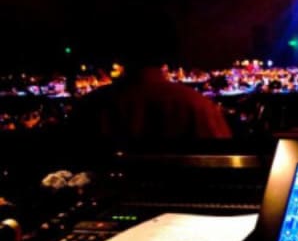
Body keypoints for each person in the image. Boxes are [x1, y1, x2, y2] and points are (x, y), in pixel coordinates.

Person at [69, 8, 232, 141]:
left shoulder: (89, 108)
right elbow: (222, 163)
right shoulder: (199, 107)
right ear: (169, 49)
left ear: (116, 49)